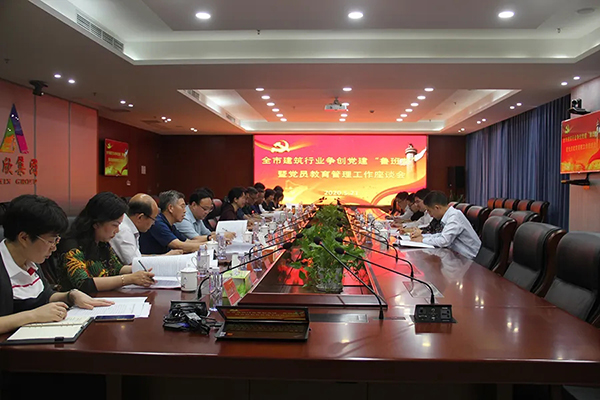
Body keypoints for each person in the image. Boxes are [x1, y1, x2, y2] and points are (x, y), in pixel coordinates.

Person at [0, 195, 113, 334]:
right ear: (24, 238)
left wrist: (70, 296)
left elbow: (45, 296)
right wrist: (32, 316)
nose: (54, 248)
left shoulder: (30, 260)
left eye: (57, 240)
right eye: (51, 241)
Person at [59, 192, 156, 294]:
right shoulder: (71, 246)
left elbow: (117, 268)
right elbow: (84, 284)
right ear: (97, 223)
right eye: (114, 225)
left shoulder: (102, 243)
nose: (117, 231)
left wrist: (143, 270)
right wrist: (129, 279)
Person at [110, 193, 183, 265]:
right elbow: (135, 263)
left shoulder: (131, 227)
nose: (153, 223)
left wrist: (164, 256)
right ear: (140, 217)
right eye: (153, 219)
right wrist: (166, 257)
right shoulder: (124, 230)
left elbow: (138, 257)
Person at [410, 191, 481, 259]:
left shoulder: (454, 217)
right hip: (458, 256)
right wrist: (423, 237)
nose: (430, 215)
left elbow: (444, 241)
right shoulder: (449, 215)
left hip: (470, 259)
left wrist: (422, 240)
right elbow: (441, 235)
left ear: (437, 208)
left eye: (429, 211)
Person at [139, 190, 205, 255]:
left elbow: (186, 241)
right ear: (170, 208)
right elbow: (179, 245)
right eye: (182, 206)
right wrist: (205, 246)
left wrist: (208, 242)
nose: (185, 211)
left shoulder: (171, 225)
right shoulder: (157, 223)